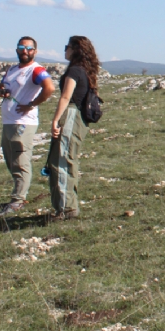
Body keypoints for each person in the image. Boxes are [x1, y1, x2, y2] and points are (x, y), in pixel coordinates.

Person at [0, 37, 54, 216]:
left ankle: (18, 201)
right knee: (11, 161)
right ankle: (18, 196)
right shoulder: (12, 70)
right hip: (8, 122)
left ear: (35, 51)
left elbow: (49, 88)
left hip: (23, 123)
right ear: (17, 49)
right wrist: (0, 91)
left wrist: (33, 103)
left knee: (20, 161)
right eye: (21, 47)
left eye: (29, 48)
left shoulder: (36, 70)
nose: (25, 51)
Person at [46, 36, 99, 220]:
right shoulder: (85, 70)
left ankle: (65, 209)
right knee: (67, 160)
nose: (64, 50)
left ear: (75, 50)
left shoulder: (75, 71)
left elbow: (65, 97)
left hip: (71, 116)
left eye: (67, 47)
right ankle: (68, 206)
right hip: (79, 119)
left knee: (61, 161)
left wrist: (55, 120)